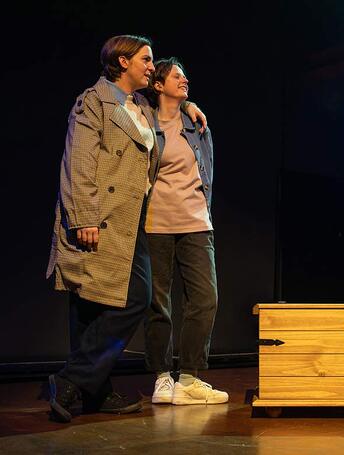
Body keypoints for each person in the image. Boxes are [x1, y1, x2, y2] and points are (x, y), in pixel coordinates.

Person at [46, 35, 206, 423]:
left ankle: (90, 389)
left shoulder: (139, 106)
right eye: (146, 59)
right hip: (98, 219)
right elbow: (79, 161)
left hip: (129, 222)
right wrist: (83, 217)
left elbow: (169, 106)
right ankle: (75, 382)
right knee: (113, 301)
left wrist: (186, 102)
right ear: (122, 61)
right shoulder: (94, 102)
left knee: (113, 302)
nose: (152, 67)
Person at [141, 58, 227, 405]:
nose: (185, 79)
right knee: (157, 304)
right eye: (177, 76)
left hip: (196, 224)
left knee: (205, 299)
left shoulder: (197, 126)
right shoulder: (142, 120)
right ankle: (162, 377)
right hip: (156, 224)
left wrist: (188, 105)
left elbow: (205, 177)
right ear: (158, 85)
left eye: (185, 76)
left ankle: (189, 378)